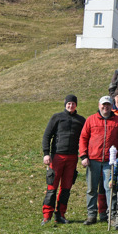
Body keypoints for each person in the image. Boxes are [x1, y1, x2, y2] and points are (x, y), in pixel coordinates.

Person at [78, 96, 118, 225]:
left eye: (108, 105)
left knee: (109, 188)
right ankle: (91, 215)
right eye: (103, 105)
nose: (106, 107)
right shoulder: (91, 120)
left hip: (110, 161)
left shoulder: (117, 121)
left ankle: (111, 216)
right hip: (93, 160)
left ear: (112, 106)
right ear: (99, 105)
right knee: (91, 188)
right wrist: (83, 156)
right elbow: (83, 138)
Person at [41, 94, 85, 225]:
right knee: (52, 187)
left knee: (66, 188)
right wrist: (46, 153)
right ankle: (47, 215)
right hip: (57, 157)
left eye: (73, 103)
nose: (70, 106)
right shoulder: (57, 117)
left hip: (72, 158)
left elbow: (85, 138)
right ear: (65, 104)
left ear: (76, 105)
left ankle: (60, 214)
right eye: (68, 103)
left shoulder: (81, 120)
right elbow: (47, 135)